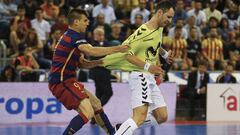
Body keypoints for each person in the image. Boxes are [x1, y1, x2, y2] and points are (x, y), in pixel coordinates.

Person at [48, 9, 128, 135]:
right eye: (85, 20)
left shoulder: (71, 37)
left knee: (96, 103)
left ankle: (112, 133)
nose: (88, 23)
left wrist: (101, 62)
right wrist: (118, 49)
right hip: (61, 82)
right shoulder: (73, 37)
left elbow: (83, 63)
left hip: (68, 81)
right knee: (88, 112)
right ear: (76, 22)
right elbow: (91, 51)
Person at [102, 1, 175, 134]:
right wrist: (149, 67)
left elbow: (155, 46)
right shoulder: (143, 32)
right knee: (139, 117)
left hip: (150, 77)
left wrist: (164, 54)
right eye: (168, 17)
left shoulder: (159, 27)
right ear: (160, 13)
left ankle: (123, 128)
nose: (170, 21)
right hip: (140, 75)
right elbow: (127, 55)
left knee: (162, 116)